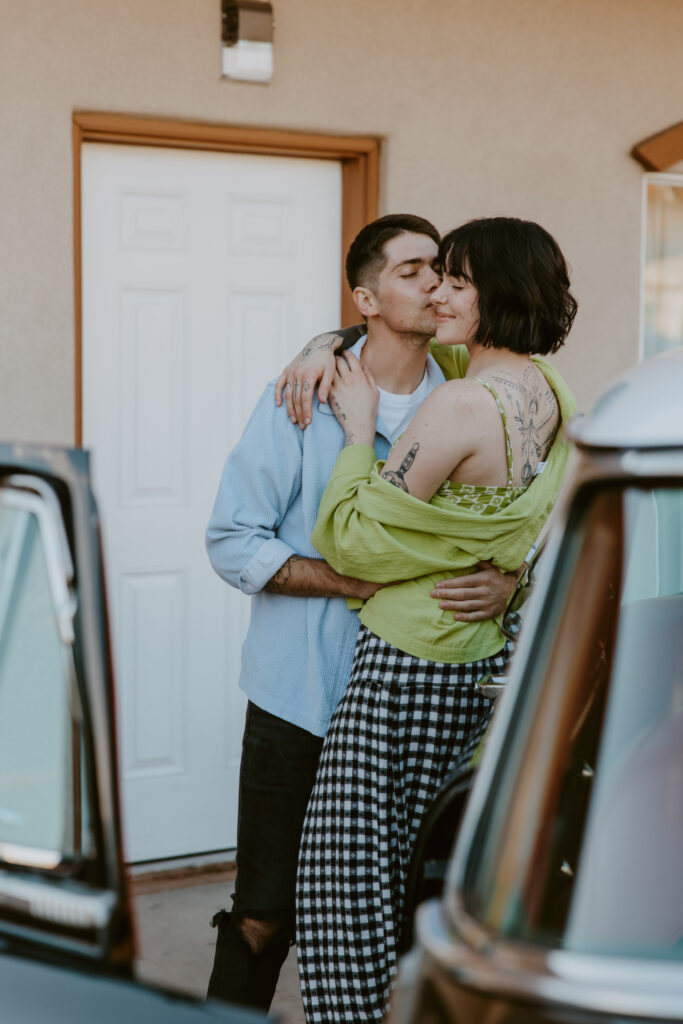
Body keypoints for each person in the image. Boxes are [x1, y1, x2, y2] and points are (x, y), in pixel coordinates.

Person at [204, 214, 516, 1012]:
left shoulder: (468, 400)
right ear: (366, 296)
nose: (436, 284)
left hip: (410, 710)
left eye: (443, 271)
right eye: (413, 270)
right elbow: (232, 540)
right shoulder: (300, 395)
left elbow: (519, 526)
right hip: (299, 702)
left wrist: (509, 585)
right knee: (266, 914)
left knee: (403, 913)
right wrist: (358, 586)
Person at [295, 216, 578, 1024]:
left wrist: (356, 435)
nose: (437, 294)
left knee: (344, 890)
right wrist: (330, 340)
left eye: (457, 280)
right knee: (433, 879)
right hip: (478, 659)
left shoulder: (457, 404)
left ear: (500, 293)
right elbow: (533, 526)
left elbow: (351, 539)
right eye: (432, 277)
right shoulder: (550, 396)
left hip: (401, 672)